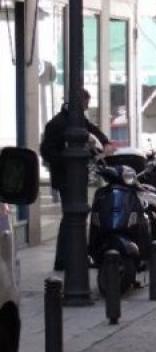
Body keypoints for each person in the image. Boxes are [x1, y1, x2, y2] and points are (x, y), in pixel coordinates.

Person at [40, 88, 114, 271]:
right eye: (86, 104)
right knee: (71, 216)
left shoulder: (77, 120)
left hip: (76, 175)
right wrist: (66, 160)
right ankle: (63, 259)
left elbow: (92, 128)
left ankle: (72, 257)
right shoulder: (57, 123)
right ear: (78, 103)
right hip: (65, 176)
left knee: (75, 216)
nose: (87, 107)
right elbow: (46, 150)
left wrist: (105, 141)